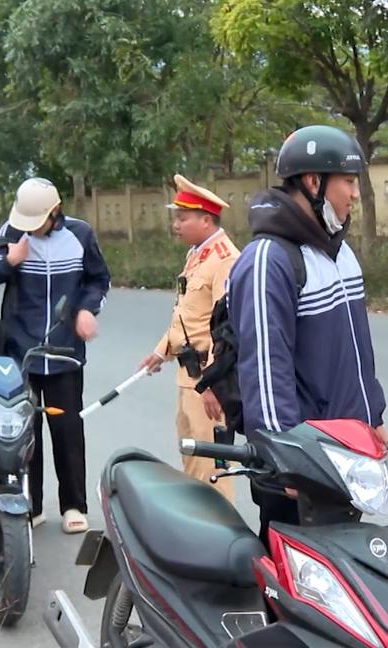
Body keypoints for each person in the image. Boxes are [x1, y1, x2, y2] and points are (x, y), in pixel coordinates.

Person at [226, 125, 388, 542]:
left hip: (346, 456)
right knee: (292, 590)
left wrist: (374, 417)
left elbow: (355, 353)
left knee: (342, 583)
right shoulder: (269, 260)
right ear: (314, 182)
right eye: (349, 182)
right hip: (300, 467)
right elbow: (265, 373)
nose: (355, 194)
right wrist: (289, 461)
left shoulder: (339, 253)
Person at [0, 177, 111, 534]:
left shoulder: (81, 235)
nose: (30, 228)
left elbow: (98, 280)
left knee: (67, 429)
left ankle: (73, 505)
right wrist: (9, 262)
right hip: (19, 353)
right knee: (23, 430)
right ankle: (29, 504)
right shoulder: (11, 232)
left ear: (56, 212)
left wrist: (86, 309)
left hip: (64, 352)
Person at [137, 175, 240, 501]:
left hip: (206, 381)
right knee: (192, 459)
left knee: (212, 467)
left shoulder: (225, 259)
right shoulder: (198, 254)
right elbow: (187, 315)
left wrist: (211, 384)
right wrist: (160, 351)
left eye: (183, 218)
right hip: (188, 375)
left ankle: (220, 538)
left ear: (206, 220)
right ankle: (200, 533)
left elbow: (227, 327)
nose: (175, 224)